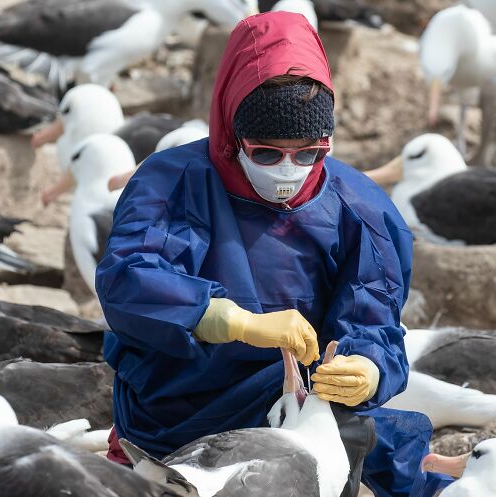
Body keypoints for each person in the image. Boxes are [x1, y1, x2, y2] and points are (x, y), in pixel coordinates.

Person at [96, 11, 450, 497]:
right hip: (174, 404)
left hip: (294, 405)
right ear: (231, 132)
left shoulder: (361, 209)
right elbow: (127, 279)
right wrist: (228, 319)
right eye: (266, 153)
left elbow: (373, 322)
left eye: (309, 154)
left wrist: (366, 368)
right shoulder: (172, 181)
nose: (289, 169)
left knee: (371, 440)